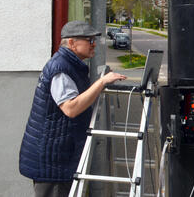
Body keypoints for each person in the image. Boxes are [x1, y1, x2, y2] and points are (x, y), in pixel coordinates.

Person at [19, 21, 127, 197]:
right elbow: (71, 108)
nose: (93, 45)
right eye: (89, 40)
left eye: (93, 40)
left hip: (58, 153)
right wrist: (101, 82)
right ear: (71, 43)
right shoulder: (61, 68)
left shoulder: (69, 65)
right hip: (54, 160)